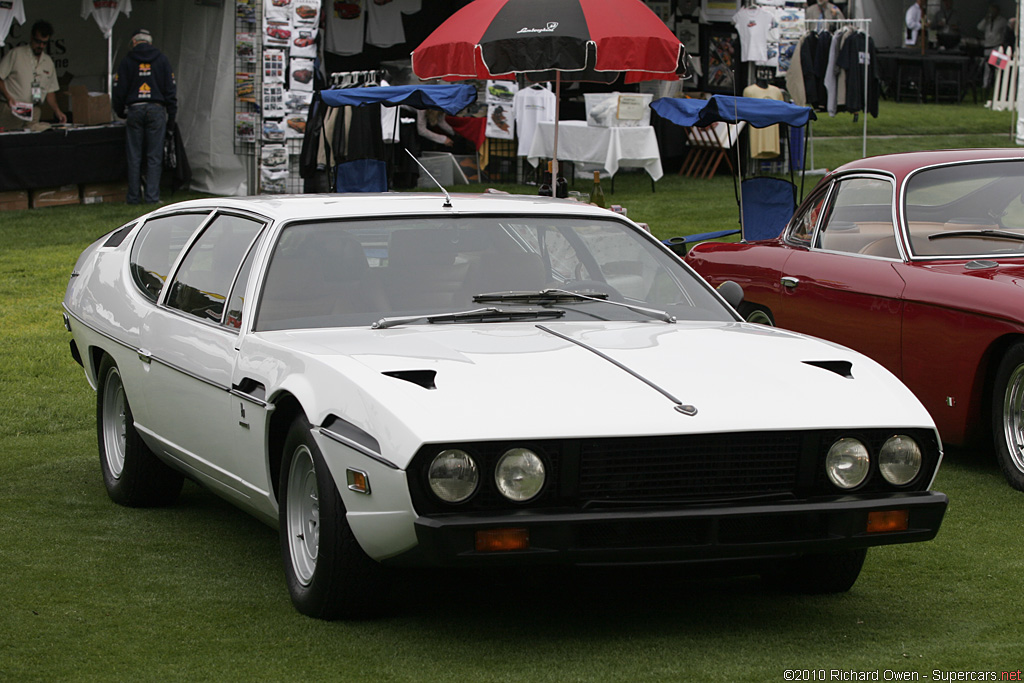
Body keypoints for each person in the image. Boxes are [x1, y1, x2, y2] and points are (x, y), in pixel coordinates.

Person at [113, 29, 177, 204]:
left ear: (134, 42)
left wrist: (120, 111)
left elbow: (118, 90)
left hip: (134, 109)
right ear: (150, 42)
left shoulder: (127, 61)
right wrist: (171, 118)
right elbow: (171, 90)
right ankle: (152, 197)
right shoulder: (162, 60)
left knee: (134, 156)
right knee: (154, 156)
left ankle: (133, 197)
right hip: (156, 109)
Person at [0, 20, 66, 130]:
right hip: (11, 109)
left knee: (33, 139)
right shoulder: (16, 54)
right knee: (8, 141)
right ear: (31, 37)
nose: (40, 46)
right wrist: (8, 98)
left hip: (33, 110)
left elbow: (50, 91)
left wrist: (57, 111)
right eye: (38, 41)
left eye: (44, 43)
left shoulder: (48, 62)